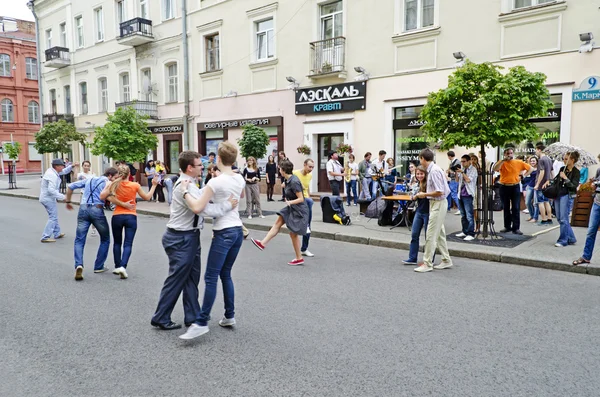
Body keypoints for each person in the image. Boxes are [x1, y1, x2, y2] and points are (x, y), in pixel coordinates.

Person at [151, 150, 238, 332]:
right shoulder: (186, 186)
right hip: (181, 237)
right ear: (190, 168)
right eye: (200, 165)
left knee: (191, 278)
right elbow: (204, 209)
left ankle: (192, 316)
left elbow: (205, 200)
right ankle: (161, 317)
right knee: (177, 278)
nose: (203, 167)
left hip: (188, 236)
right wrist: (228, 205)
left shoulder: (190, 184)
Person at [177, 142, 246, 340]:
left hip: (223, 231)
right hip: (236, 230)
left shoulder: (214, 183)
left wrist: (184, 191)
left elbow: (198, 207)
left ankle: (201, 321)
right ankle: (229, 316)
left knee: (211, 277)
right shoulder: (239, 178)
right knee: (226, 274)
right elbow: (239, 195)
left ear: (218, 159)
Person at [64, 167, 126, 280]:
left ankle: (79, 264)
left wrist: (68, 201)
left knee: (79, 239)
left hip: (83, 208)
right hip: (97, 209)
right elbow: (111, 197)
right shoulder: (108, 183)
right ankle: (98, 266)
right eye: (115, 177)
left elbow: (70, 186)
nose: (115, 180)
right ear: (110, 176)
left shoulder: (89, 179)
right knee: (105, 238)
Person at [100, 165, 159, 279]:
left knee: (117, 243)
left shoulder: (113, 185)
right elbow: (147, 197)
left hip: (117, 216)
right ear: (130, 174)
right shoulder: (135, 185)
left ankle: (117, 266)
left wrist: (120, 203)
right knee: (128, 243)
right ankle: (123, 266)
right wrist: (154, 186)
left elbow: (105, 197)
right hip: (131, 216)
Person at [251, 159, 309, 266]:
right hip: (292, 208)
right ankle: (262, 243)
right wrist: (284, 186)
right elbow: (287, 186)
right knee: (278, 222)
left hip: (299, 210)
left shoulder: (294, 181)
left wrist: (290, 202)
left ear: (283, 170)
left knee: (293, 234)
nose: (279, 171)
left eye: (280, 169)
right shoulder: (288, 179)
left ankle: (299, 258)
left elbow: (301, 198)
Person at [413, 149, 453, 273]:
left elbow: (439, 191)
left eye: (420, 159)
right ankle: (446, 260)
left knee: (431, 234)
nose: (420, 161)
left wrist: (424, 194)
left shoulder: (434, 171)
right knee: (439, 233)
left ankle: (427, 263)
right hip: (437, 203)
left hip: (438, 203)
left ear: (423, 159)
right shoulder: (434, 169)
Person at [493, 147, 532, 235]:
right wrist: (503, 160)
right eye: (507, 153)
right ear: (504, 154)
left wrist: (523, 176)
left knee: (516, 207)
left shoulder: (518, 162)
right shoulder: (501, 162)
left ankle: (516, 228)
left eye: (511, 153)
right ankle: (507, 226)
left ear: (513, 154)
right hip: (504, 186)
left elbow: (531, 169)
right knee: (505, 207)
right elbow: (495, 168)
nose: (509, 155)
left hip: (515, 186)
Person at [39, 158, 77, 243]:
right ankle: (45, 236)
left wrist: (71, 166)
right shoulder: (52, 175)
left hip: (48, 198)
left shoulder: (52, 171)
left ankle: (57, 233)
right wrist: (64, 197)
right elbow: (51, 190)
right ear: (56, 166)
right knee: (53, 217)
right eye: (61, 165)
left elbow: (63, 171)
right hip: (47, 198)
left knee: (53, 216)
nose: (63, 167)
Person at [573, 156, 600, 266]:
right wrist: (593, 184)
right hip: (597, 202)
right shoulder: (599, 170)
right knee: (591, 230)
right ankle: (586, 256)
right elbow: (595, 185)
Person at [402, 165, 430, 265]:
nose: (419, 176)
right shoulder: (417, 184)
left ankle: (429, 259)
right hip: (419, 211)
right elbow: (412, 197)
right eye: (417, 174)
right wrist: (414, 195)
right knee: (414, 235)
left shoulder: (429, 184)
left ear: (425, 174)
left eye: (421, 174)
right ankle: (412, 258)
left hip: (428, 212)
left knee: (429, 237)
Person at [554, 151, 580, 247]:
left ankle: (563, 240)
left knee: (564, 219)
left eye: (566, 159)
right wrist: (550, 182)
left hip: (567, 195)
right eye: (563, 158)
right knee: (559, 218)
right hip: (558, 194)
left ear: (572, 160)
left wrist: (565, 178)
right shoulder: (562, 169)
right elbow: (556, 180)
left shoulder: (576, 172)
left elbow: (574, 186)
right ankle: (571, 238)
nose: (564, 160)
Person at [293, 158, 315, 257]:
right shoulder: (295, 173)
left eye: (312, 167)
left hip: (306, 200)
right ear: (304, 165)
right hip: (297, 200)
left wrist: (309, 196)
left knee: (308, 225)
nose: (311, 169)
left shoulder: (310, 176)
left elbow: (307, 188)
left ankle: (304, 249)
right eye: (309, 167)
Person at [455, 154, 478, 241]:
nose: (462, 163)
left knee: (469, 215)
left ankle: (471, 233)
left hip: (468, 194)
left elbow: (468, 180)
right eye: (461, 161)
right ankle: (464, 231)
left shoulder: (473, 169)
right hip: (460, 194)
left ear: (469, 161)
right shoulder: (462, 169)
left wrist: (462, 172)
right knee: (463, 215)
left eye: (464, 161)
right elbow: (457, 180)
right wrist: (456, 173)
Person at [534, 143, 554, 225]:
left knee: (540, 202)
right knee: (547, 202)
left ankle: (543, 219)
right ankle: (549, 218)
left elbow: (541, 172)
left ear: (539, 150)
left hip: (541, 184)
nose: (535, 152)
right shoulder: (549, 159)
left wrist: (537, 184)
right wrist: (551, 180)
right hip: (547, 183)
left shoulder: (541, 160)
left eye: (536, 150)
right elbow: (552, 171)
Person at [524, 156, 539, 223]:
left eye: (534, 161)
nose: (532, 162)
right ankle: (531, 215)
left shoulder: (539, 168)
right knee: (527, 202)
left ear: (536, 161)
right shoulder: (530, 168)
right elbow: (525, 175)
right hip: (530, 186)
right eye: (531, 161)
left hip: (537, 186)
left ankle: (535, 218)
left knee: (536, 203)